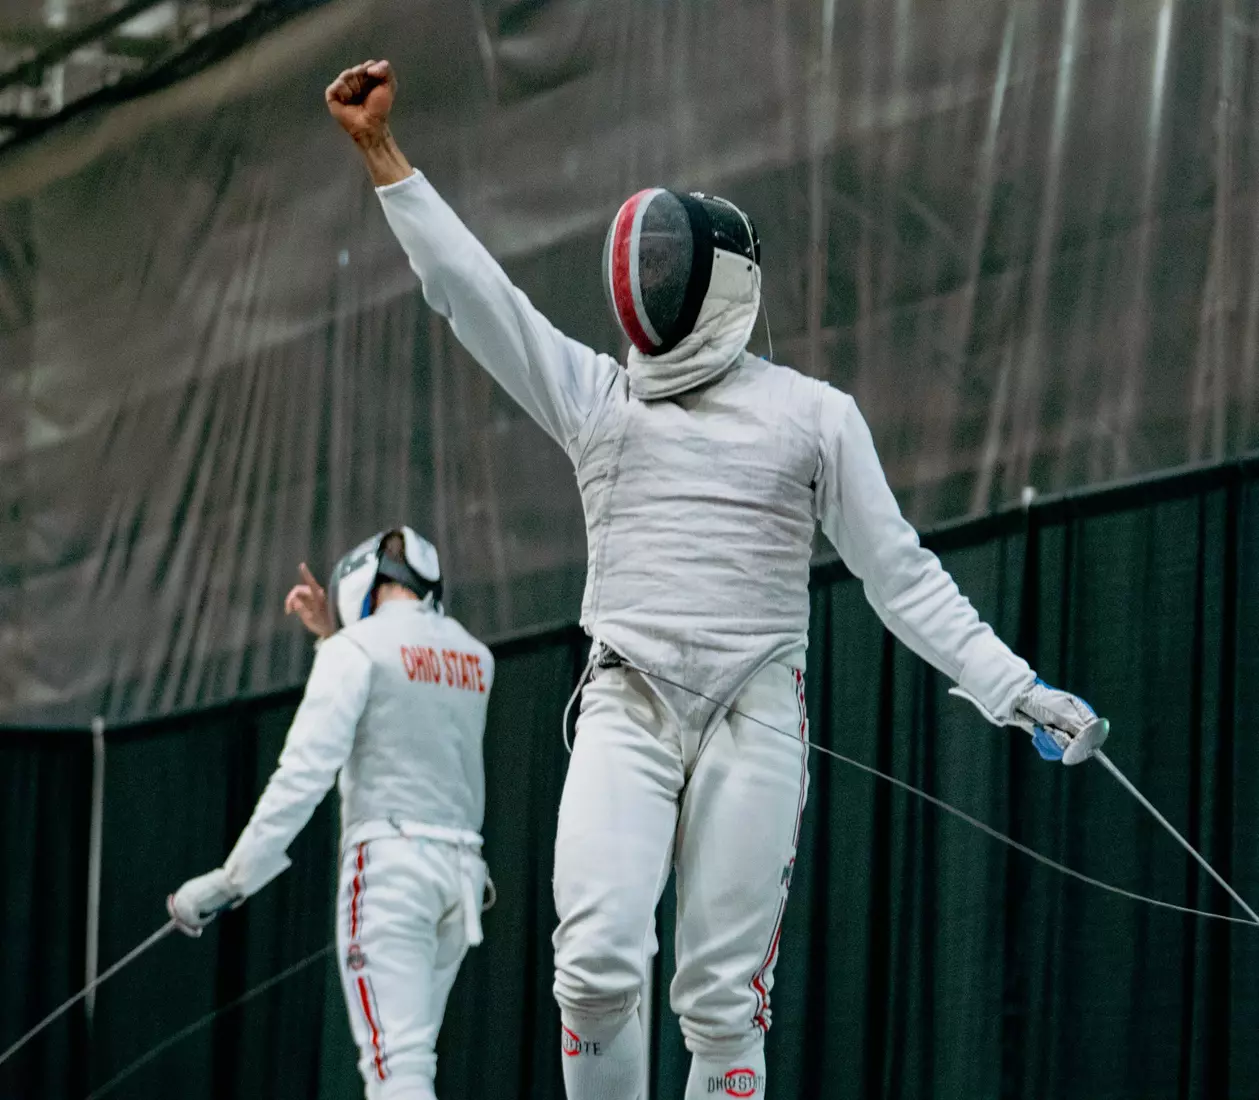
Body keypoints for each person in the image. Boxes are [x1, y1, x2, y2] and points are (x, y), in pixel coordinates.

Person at [325, 60, 1108, 1100]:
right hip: (625, 702)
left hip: (754, 713)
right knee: (595, 961)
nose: (642, 288)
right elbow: (473, 295)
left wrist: (1015, 688)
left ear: (722, 282)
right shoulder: (597, 398)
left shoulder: (812, 416)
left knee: (721, 998)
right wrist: (382, 153)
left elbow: (901, 576)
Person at [168, 527, 496, 1100]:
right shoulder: (473, 656)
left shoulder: (357, 651)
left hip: (391, 875)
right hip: (461, 882)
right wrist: (333, 639)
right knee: (411, 1064)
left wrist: (233, 880)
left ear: (363, 581)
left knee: (394, 1071)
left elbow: (302, 774)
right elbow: (406, 703)